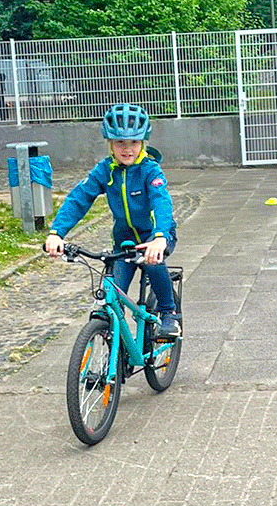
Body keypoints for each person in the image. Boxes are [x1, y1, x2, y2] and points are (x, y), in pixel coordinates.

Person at [44, 103, 180, 339]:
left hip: (155, 236)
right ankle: (112, 345)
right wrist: (57, 232)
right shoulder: (105, 170)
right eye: (120, 143)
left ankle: (169, 314)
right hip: (124, 243)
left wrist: (159, 238)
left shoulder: (150, 170)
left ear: (143, 143)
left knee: (153, 263)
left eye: (133, 143)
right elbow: (79, 198)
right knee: (113, 298)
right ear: (110, 144)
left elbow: (161, 203)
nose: (127, 149)